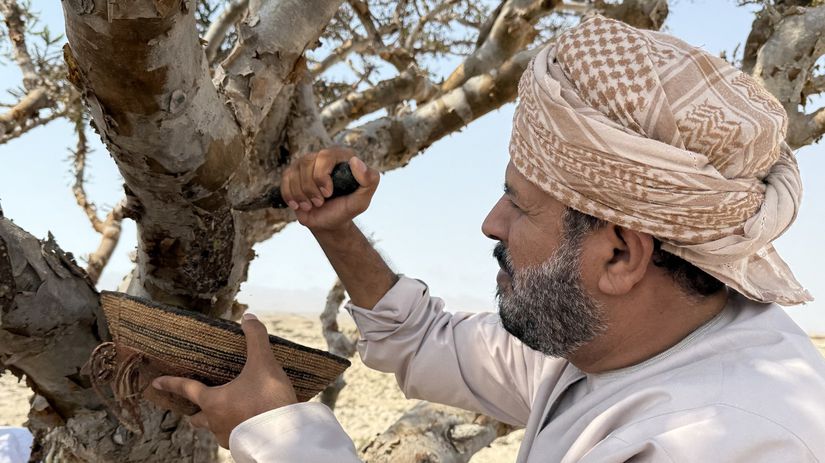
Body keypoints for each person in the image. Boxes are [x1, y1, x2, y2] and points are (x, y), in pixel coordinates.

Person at [153, 16, 825, 462]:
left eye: (519, 204)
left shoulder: (727, 438)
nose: (490, 223)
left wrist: (276, 432)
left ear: (618, 253)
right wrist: (340, 233)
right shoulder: (616, 333)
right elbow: (426, 342)